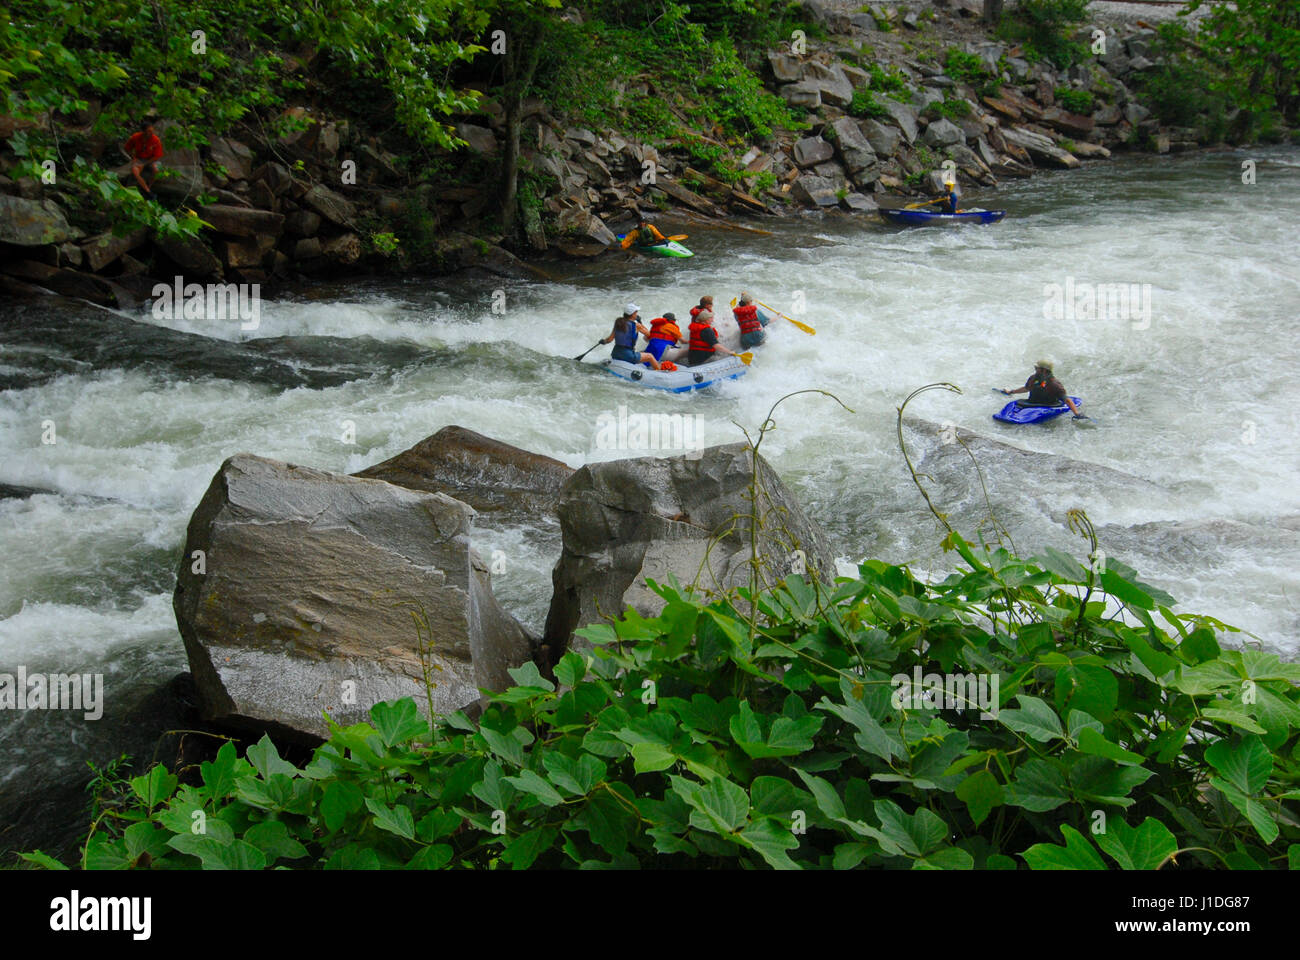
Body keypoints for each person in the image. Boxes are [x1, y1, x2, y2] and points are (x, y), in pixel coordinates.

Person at [1000, 360, 1084, 417]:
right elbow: (1026, 388)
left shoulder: (1054, 384)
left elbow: (1067, 400)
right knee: (1014, 404)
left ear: (1044, 370)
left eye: (1037, 368)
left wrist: (1077, 413)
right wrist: (1011, 391)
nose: (1035, 369)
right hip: (1032, 402)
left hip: (1048, 405)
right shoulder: (1033, 378)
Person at [601, 303, 661, 369]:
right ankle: (659, 371)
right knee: (650, 356)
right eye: (636, 312)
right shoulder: (636, 325)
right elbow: (649, 334)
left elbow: (609, 339)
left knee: (640, 353)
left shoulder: (618, 323)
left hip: (615, 353)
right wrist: (640, 322)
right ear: (632, 314)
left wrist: (604, 341)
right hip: (628, 355)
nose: (637, 314)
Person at [123, 118, 164, 201]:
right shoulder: (136, 137)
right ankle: (147, 191)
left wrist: (145, 164)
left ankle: (149, 186)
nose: (151, 133)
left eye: (152, 131)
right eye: (148, 131)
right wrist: (133, 158)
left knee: (156, 170)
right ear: (143, 131)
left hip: (151, 159)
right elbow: (127, 148)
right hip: (139, 159)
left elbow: (157, 156)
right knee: (135, 171)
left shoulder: (155, 140)